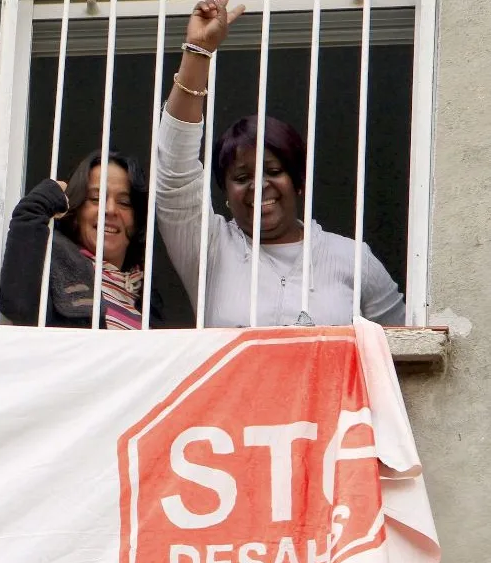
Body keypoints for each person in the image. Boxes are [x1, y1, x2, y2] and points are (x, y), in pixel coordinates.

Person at [155, 0, 406, 327]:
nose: (259, 185)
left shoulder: (353, 259)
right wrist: (198, 52)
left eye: (274, 171)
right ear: (226, 193)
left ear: (299, 182)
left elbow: (402, 353)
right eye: (242, 176)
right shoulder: (209, 248)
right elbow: (174, 174)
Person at [0, 151, 168, 329]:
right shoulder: (55, 268)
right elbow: (19, 305)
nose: (110, 210)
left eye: (124, 202)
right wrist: (32, 212)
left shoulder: (147, 302)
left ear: (137, 221)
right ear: (76, 213)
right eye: (96, 198)